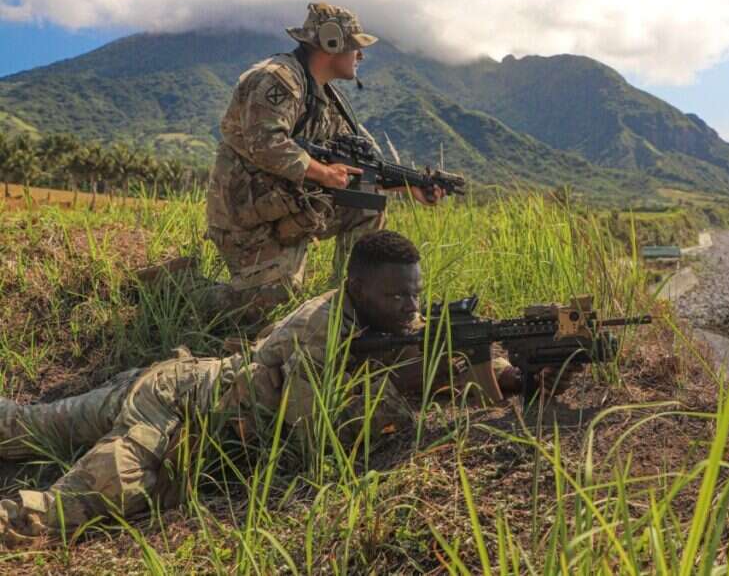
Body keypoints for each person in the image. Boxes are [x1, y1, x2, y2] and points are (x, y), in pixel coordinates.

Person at [0, 231, 514, 545]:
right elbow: (316, 435)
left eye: (416, 293)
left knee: (26, 424)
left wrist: (508, 372)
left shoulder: (390, 319)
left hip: (181, 388)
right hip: (177, 407)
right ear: (357, 288)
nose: (411, 307)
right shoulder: (320, 328)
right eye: (398, 296)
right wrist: (402, 392)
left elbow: (431, 352)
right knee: (95, 491)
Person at [205, 2, 443, 321]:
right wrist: (324, 173)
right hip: (246, 217)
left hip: (288, 210)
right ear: (332, 43)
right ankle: (179, 285)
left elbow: (360, 165)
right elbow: (264, 143)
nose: (360, 56)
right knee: (272, 304)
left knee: (368, 202)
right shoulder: (277, 79)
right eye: (355, 47)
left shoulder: (327, 99)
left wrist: (409, 186)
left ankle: (351, 305)